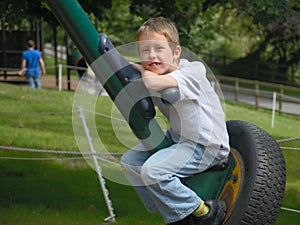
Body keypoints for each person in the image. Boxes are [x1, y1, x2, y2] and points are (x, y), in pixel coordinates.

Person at [121, 17, 229, 225]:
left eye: (159, 49)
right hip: (179, 137)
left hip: (206, 146)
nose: (152, 55)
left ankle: (205, 212)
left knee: (153, 171)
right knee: (130, 163)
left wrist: (142, 69)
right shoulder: (159, 72)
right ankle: (175, 211)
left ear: (176, 52)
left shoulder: (192, 71)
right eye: (145, 51)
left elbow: (152, 83)